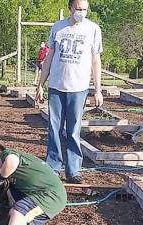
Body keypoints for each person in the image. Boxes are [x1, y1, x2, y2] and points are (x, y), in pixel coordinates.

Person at [35, 0, 103, 183]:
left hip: (79, 87)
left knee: (73, 130)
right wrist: (41, 84)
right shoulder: (58, 27)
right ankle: (53, 167)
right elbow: (49, 57)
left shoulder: (93, 29)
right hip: (57, 86)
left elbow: (96, 61)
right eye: (78, 9)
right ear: (70, 8)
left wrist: (98, 90)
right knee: (54, 129)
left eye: (85, 9)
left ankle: (73, 171)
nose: (81, 12)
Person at [0, 144, 66, 225]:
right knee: (14, 214)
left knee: (19, 212)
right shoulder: (17, 174)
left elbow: (12, 161)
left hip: (49, 195)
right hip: (42, 194)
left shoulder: (7, 154)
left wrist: (1, 176)